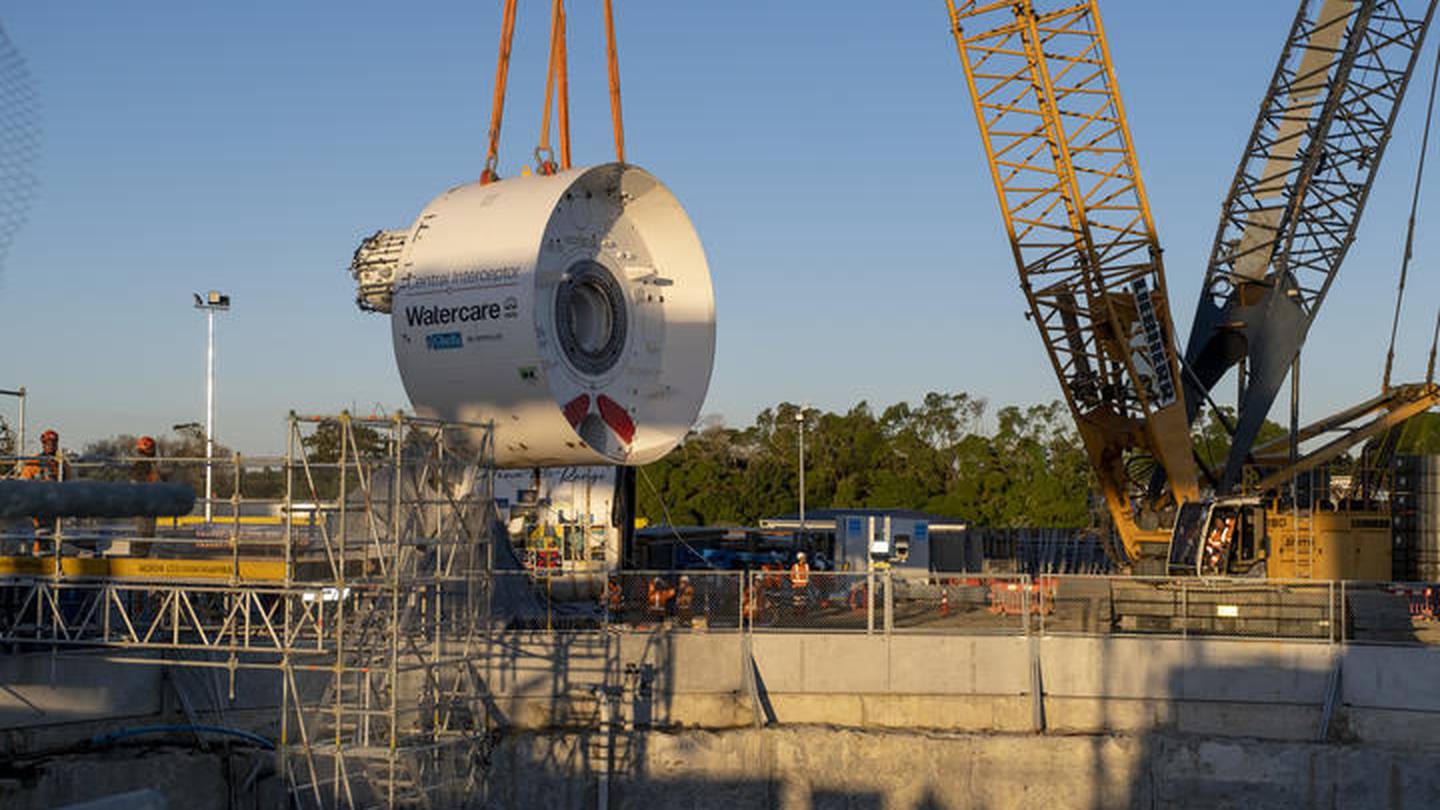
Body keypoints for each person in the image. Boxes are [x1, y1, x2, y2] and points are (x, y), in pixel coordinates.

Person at [20, 429, 64, 555]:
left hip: (55, 506)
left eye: (53, 442)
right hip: (37, 506)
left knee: (54, 536)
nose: (50, 445)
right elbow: (23, 482)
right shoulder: (34, 462)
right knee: (40, 535)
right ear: (43, 444)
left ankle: (53, 561)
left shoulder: (61, 463)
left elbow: (69, 483)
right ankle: (38, 561)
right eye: (47, 442)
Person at [131, 436, 161, 556]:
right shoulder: (142, 464)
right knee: (144, 533)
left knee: (146, 533)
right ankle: (137, 559)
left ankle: (139, 557)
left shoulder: (147, 463)